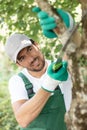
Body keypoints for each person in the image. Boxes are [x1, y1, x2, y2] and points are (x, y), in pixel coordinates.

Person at [5, 7, 73, 130]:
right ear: (18, 64)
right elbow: (23, 119)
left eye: (30, 49)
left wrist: (69, 26)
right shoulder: (17, 81)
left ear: (37, 45)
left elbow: (75, 51)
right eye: (22, 58)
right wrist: (50, 83)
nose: (30, 58)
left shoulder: (61, 67)